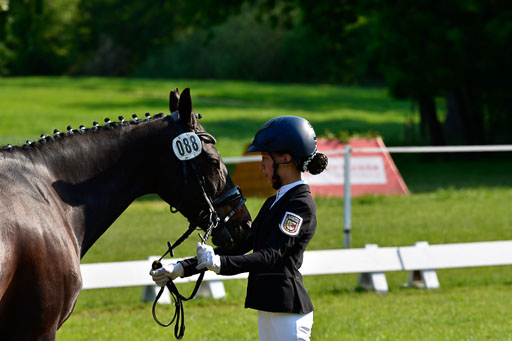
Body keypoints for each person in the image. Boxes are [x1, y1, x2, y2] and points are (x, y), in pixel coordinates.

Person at [151, 115, 328, 340]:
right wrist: (181, 268)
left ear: (286, 158)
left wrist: (219, 264)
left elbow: (271, 255)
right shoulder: (274, 202)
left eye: (265, 157)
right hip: (269, 306)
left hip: (288, 307)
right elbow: (242, 246)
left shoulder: (300, 204)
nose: (261, 164)